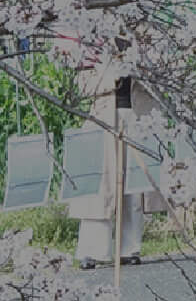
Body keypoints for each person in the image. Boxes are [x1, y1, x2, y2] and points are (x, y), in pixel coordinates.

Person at [68, 62, 166, 269]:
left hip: (140, 115)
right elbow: (83, 85)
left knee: (135, 184)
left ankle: (130, 248)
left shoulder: (147, 44)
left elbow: (164, 78)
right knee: (101, 187)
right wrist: (111, 77)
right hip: (104, 118)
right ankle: (93, 250)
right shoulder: (94, 45)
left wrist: (141, 69)